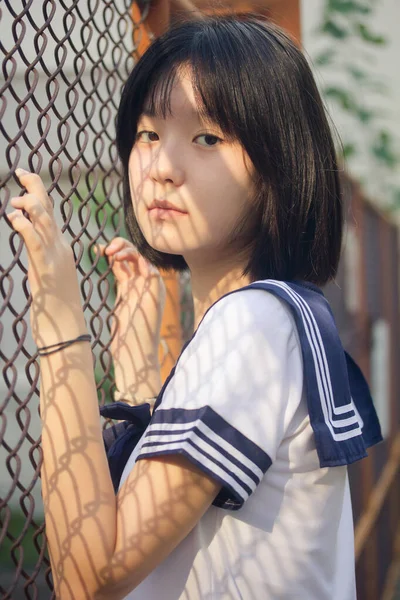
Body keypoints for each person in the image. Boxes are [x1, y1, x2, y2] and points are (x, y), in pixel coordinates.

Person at [7, 13, 382, 600]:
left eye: (207, 139)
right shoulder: (279, 315)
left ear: (277, 168)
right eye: (148, 134)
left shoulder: (253, 323)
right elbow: (172, 531)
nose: (161, 168)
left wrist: (60, 327)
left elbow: (89, 578)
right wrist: (136, 388)